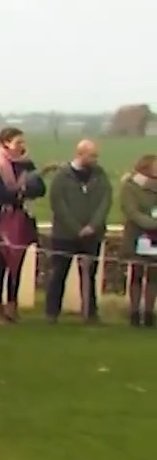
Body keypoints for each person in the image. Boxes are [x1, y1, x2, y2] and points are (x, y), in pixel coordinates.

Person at [0, 127, 48, 324]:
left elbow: (40, 188)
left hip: (21, 217)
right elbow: (0, 192)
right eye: (18, 142)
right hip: (2, 219)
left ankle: (12, 305)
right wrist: (23, 190)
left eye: (22, 142)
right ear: (6, 143)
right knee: (1, 263)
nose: (22, 145)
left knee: (17, 264)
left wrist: (24, 190)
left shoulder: (27, 163)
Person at [45, 139, 111, 324]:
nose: (96, 159)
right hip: (64, 235)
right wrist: (76, 228)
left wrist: (93, 226)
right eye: (92, 155)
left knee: (90, 275)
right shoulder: (62, 176)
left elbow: (105, 200)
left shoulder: (100, 175)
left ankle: (90, 313)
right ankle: (52, 313)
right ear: (80, 154)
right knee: (59, 273)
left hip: (92, 235)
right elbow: (58, 203)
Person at [120, 154, 157, 327]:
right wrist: (151, 224)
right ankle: (134, 313)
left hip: (155, 238)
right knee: (137, 274)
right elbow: (132, 211)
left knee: (153, 275)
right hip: (137, 236)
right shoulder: (131, 187)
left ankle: (149, 313)